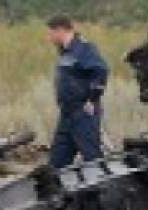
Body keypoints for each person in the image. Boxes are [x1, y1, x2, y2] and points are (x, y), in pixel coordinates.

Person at [46, 14, 109, 168]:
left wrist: (92, 99)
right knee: (56, 162)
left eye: (50, 33)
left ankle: (104, 190)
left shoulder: (83, 48)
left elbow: (101, 71)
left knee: (92, 159)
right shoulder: (65, 52)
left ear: (60, 30)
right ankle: (56, 191)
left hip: (83, 113)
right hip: (67, 114)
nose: (48, 37)